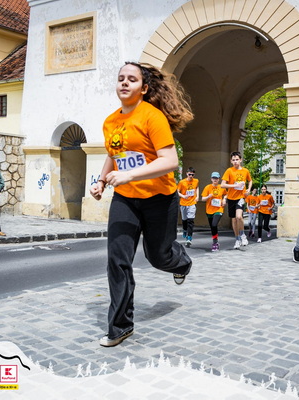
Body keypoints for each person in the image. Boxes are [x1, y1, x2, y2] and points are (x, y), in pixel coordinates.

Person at [90, 62, 193, 347]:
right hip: (125, 198)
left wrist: (129, 174)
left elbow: (170, 161)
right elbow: (114, 154)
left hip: (160, 198)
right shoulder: (110, 121)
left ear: (144, 88)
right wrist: (101, 181)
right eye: (121, 78)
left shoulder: (152, 116)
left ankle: (181, 262)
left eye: (132, 79)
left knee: (158, 257)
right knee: (117, 260)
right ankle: (120, 326)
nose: (124, 82)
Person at [221, 151, 253, 249]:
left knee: (239, 217)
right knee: (234, 219)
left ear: (240, 160)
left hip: (241, 197)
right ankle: (237, 239)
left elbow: (250, 180)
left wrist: (248, 189)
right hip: (231, 198)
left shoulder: (245, 171)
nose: (235, 161)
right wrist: (234, 185)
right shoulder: (229, 171)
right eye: (233, 160)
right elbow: (222, 185)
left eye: (237, 159)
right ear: (231, 161)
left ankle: (243, 235)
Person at [201, 172, 227, 251]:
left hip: (219, 209)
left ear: (219, 179)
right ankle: (215, 241)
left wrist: (224, 199)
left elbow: (226, 194)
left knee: (214, 224)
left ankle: (215, 243)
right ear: (211, 179)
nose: (215, 179)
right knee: (212, 227)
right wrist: (208, 196)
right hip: (209, 210)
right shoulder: (207, 187)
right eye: (213, 178)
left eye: (216, 178)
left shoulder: (221, 187)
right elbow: (202, 199)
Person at [177, 166, 199, 247]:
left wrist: (197, 196)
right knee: (184, 219)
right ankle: (185, 230)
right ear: (187, 174)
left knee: (190, 220)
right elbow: (177, 191)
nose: (191, 176)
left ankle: (189, 237)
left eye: (192, 175)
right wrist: (183, 196)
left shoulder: (196, 181)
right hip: (183, 203)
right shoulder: (182, 182)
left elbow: (197, 187)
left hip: (192, 203)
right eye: (189, 174)